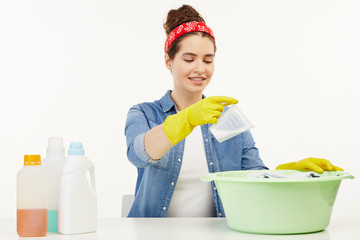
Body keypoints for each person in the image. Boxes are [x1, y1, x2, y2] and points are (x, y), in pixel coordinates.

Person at [124, 4, 343, 218]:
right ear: (168, 61)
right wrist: (187, 119)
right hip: (152, 232)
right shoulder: (144, 113)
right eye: (189, 59)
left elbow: (255, 179)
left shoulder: (227, 119)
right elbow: (138, 154)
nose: (200, 68)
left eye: (208, 60)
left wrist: (293, 173)